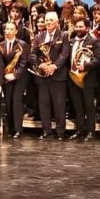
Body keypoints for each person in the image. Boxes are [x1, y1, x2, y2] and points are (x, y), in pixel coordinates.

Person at [30, 11, 69, 140]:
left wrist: (54, 66)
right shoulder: (38, 36)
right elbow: (33, 53)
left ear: (57, 22)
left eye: (51, 20)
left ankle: (60, 132)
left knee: (59, 105)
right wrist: (39, 65)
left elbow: (64, 54)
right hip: (42, 76)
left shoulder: (63, 36)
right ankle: (46, 131)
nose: (48, 23)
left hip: (58, 76)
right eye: (46, 20)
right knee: (44, 104)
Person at [67, 18, 100, 141]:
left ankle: (91, 132)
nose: (78, 29)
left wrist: (85, 66)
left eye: (81, 27)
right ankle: (79, 130)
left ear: (87, 28)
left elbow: (98, 59)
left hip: (88, 79)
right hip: (73, 78)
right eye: (76, 26)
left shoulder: (94, 42)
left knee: (89, 107)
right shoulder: (71, 41)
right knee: (77, 107)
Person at [1, 22, 29, 138]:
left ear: (16, 31)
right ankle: (11, 128)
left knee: (16, 102)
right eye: (6, 29)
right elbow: (0, 62)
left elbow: (23, 62)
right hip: (6, 78)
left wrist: (15, 75)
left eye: (11, 29)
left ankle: (18, 129)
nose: (8, 31)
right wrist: (4, 74)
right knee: (8, 103)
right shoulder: (1, 44)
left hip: (18, 78)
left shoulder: (22, 44)